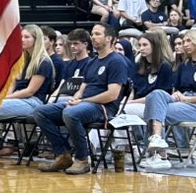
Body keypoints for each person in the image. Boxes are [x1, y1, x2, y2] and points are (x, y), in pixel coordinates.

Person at [32, 24, 129, 175]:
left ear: (109, 38)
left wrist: (83, 101)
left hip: (103, 108)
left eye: (97, 34)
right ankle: (63, 154)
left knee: (71, 113)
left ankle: (82, 159)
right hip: (84, 103)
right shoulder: (92, 62)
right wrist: (76, 98)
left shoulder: (117, 61)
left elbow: (112, 95)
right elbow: (83, 87)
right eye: (92, 34)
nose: (93, 37)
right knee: (40, 112)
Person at [140, 30, 196, 170]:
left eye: (189, 41)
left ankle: (159, 154)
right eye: (184, 42)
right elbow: (176, 89)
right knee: (156, 94)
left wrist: (188, 99)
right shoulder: (184, 65)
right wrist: (177, 95)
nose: (185, 45)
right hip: (181, 102)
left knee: (155, 109)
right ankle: (158, 142)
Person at [0, 25, 54, 121]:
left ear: (36, 40)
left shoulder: (43, 62)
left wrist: (6, 98)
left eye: (26, 37)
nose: (22, 40)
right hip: (17, 98)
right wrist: (4, 96)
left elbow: (30, 91)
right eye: (21, 37)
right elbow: (13, 84)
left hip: (33, 102)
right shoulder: (22, 60)